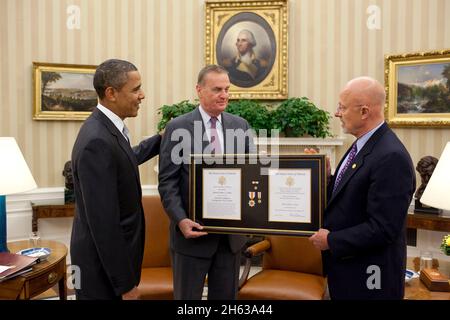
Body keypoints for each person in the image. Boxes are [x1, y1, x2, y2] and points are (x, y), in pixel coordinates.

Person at [309, 76, 416, 300]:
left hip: (370, 278)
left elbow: (383, 228)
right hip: (349, 271)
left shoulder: (391, 156)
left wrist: (330, 241)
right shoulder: (362, 144)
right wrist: (327, 178)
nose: (337, 113)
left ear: (364, 112)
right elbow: (349, 199)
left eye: (342, 107)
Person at [158, 64, 255, 300]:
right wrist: (180, 220)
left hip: (229, 240)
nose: (224, 95)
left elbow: (252, 174)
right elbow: (167, 182)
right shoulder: (177, 127)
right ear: (199, 90)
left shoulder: (240, 126)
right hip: (192, 237)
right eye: (217, 89)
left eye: (227, 89)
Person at [70, 59, 161, 300]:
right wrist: (125, 285)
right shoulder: (97, 141)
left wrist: (162, 138)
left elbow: (126, 158)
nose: (142, 95)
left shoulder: (105, 129)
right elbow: (104, 225)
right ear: (111, 93)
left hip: (110, 268)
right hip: (103, 275)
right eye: (135, 89)